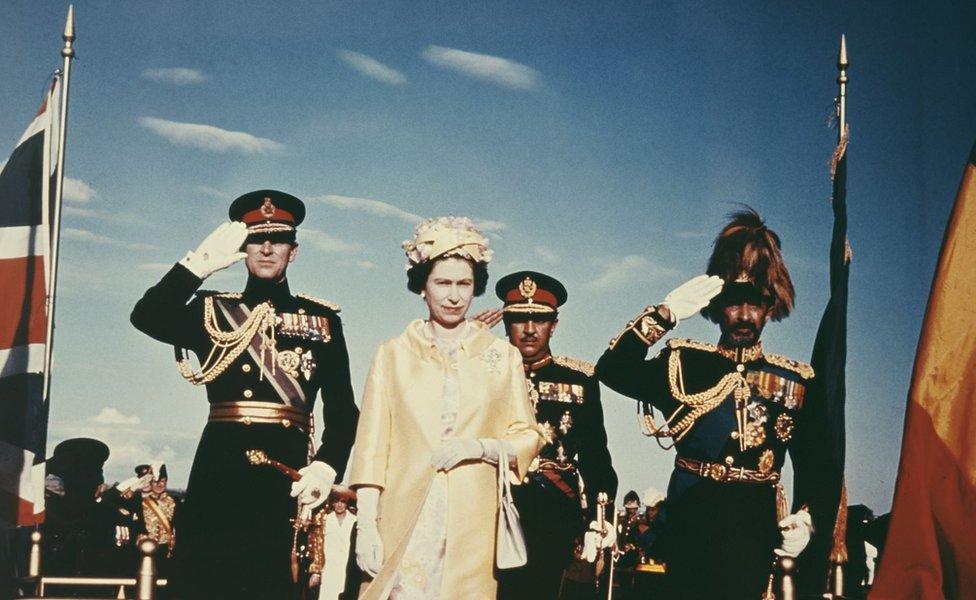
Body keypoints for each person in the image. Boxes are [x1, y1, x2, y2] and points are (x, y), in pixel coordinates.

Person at [596, 207, 839, 599]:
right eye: (732, 302)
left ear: (771, 306)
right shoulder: (683, 363)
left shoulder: (795, 382)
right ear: (715, 306)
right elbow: (613, 370)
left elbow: (819, 467)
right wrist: (663, 315)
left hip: (754, 534)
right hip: (688, 526)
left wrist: (808, 519)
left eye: (755, 303)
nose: (744, 315)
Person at [130, 190, 359, 599]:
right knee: (203, 582)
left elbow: (343, 410)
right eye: (256, 239)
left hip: (286, 473)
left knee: (272, 582)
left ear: (294, 251)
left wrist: (325, 466)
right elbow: (146, 316)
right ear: (242, 248)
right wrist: (194, 268)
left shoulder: (321, 320)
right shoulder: (211, 311)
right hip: (219, 468)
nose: (267, 248)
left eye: (279, 240)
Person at [348, 216, 544, 599]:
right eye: (443, 283)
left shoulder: (502, 356)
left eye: (464, 284)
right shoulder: (392, 355)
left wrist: (483, 448)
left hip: (473, 524)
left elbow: (528, 436)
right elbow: (372, 447)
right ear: (422, 286)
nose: (454, 296)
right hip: (403, 518)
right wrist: (367, 525)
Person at [491, 271, 618, 600]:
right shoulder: (483, 374)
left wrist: (599, 517)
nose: (530, 330)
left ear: (554, 324)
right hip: (493, 503)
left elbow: (595, 453)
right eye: (520, 320)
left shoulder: (579, 379)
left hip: (554, 513)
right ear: (506, 324)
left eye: (540, 320)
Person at [309, 492, 358, 600]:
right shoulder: (324, 520)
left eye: (343, 501)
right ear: (332, 503)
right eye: (336, 501)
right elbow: (318, 546)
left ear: (347, 503)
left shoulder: (354, 520)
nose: (339, 505)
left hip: (347, 567)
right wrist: (316, 572)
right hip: (330, 568)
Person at [135, 464, 177, 574]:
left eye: (163, 480)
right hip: (142, 550)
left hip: (166, 551)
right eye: (155, 481)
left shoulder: (174, 501)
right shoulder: (138, 501)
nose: (159, 484)